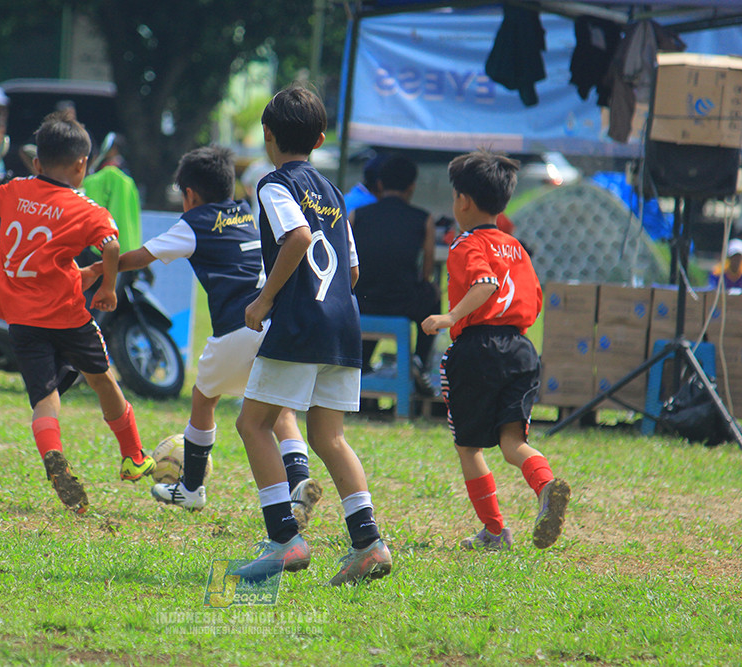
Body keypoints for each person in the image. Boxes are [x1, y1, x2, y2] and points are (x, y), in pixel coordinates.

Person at [0, 111, 155, 513]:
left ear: (37, 162)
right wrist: (106, 287)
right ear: (81, 165)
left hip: (19, 317)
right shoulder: (85, 209)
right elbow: (109, 246)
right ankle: (134, 456)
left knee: (45, 397)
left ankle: (54, 455)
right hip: (68, 315)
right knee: (103, 379)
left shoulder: (16, 190)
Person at [91, 145, 322, 527]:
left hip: (236, 328)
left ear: (190, 195)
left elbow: (141, 256)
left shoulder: (196, 221)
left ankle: (192, 488)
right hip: (274, 324)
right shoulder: (246, 212)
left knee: (203, 399)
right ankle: (299, 481)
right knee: (279, 409)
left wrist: (100, 268)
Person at [233, 86, 393, 586]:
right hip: (344, 326)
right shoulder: (335, 193)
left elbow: (298, 238)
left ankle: (284, 540)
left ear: (267, 136)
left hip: (301, 324)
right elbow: (353, 271)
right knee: (329, 435)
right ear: (321, 138)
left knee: (253, 424)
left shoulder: (274, 184)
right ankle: (369, 544)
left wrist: (264, 302)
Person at [422, 148, 570, 552]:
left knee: (468, 447)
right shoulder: (517, 247)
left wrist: (450, 317)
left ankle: (494, 531)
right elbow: (534, 302)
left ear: (463, 201)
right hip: (522, 350)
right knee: (512, 444)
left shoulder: (465, 243)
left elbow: (484, 284)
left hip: (478, 348)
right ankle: (545, 486)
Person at [352, 155, 440, 398]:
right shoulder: (423, 219)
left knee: (367, 293)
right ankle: (420, 361)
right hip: (403, 303)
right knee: (432, 295)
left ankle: (362, 362)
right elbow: (427, 272)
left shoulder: (357, 216)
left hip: (364, 301)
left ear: (379, 184)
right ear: (411, 186)